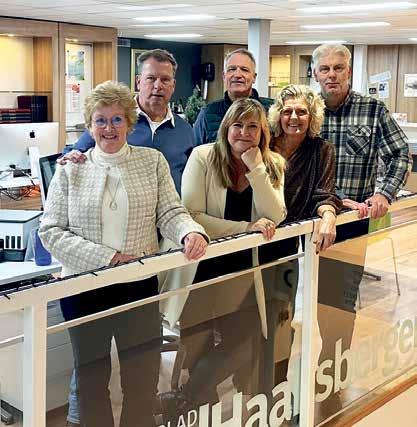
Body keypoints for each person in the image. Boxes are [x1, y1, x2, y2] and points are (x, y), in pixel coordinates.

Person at [39, 80, 208, 427]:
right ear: (89, 126)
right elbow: (50, 232)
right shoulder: (70, 169)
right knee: (91, 383)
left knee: (141, 378)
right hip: (84, 289)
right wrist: (109, 258)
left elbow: (170, 212)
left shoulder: (152, 161)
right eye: (100, 120)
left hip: (138, 285)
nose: (109, 128)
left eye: (117, 119)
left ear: (130, 123)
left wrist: (190, 231)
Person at [159, 98, 286, 422]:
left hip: (244, 271)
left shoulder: (272, 164)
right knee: (197, 346)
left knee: (244, 343)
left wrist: (256, 168)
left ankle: (184, 397)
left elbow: (276, 216)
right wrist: (245, 229)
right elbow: (192, 215)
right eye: (237, 125)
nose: (244, 132)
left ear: (263, 132)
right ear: (226, 128)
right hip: (201, 266)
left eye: (253, 126)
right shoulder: (204, 157)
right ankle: (200, 411)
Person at [311, 43, 411, 415]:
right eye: (324, 69)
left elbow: (400, 153)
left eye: (338, 68)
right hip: (304, 225)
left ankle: (329, 381)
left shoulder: (372, 110)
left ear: (349, 72)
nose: (331, 75)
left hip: (350, 228)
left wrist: (384, 192)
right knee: (289, 305)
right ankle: (284, 383)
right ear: (315, 73)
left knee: (338, 307)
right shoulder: (307, 111)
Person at [266, 84, 342, 404]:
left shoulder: (321, 149)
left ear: (312, 117)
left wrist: (328, 216)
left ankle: (281, 393)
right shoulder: (265, 143)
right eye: (287, 111)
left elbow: (324, 194)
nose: (294, 117)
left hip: (291, 247)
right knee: (258, 322)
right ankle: (259, 389)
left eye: (301, 112)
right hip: (257, 241)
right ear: (278, 115)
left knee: (285, 319)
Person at [59, 48, 197, 193]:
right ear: (138, 82)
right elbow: (72, 154)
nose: (158, 86)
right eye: (151, 78)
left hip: (170, 205)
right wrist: (70, 157)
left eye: (165, 79)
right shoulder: (115, 122)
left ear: (173, 85)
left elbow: (193, 176)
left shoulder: (185, 130)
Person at [193, 48, 274, 146]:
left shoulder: (272, 110)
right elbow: (194, 150)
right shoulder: (208, 113)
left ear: (254, 77)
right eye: (232, 69)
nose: (237, 75)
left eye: (244, 70)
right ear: (224, 76)